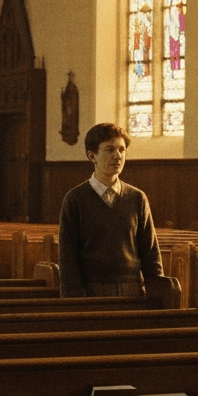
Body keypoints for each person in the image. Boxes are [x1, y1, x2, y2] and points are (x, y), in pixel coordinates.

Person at [58, 123, 163, 298]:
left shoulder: (137, 198)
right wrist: (74, 299)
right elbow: (67, 256)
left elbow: (150, 252)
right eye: (109, 150)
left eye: (122, 150)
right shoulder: (75, 199)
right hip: (91, 290)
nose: (117, 156)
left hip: (132, 289)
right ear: (92, 156)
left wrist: (157, 292)